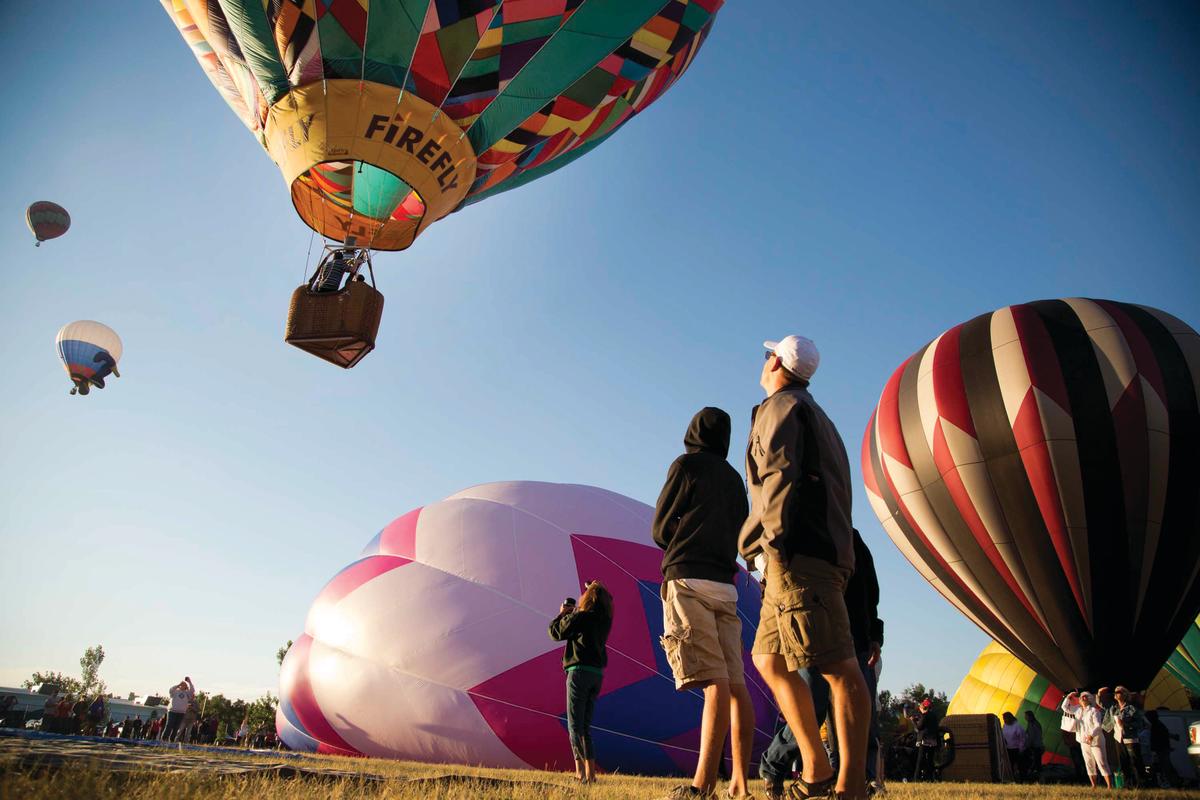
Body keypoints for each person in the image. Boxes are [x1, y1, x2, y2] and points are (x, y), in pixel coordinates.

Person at [740, 336, 870, 800]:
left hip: (796, 556)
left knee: (838, 668)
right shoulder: (819, 416)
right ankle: (814, 769)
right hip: (809, 552)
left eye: (766, 354)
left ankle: (850, 786)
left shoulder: (780, 409)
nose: (763, 360)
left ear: (776, 361)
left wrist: (766, 547)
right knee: (768, 659)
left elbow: (776, 479)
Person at [652, 406, 755, 800]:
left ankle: (701, 787)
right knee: (734, 684)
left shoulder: (685, 466)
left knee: (712, 684)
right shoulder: (734, 481)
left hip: (689, 580)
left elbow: (660, 526)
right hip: (725, 586)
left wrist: (681, 540)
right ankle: (741, 783)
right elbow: (742, 531)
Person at [759, 529, 885, 798]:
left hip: (855, 637)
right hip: (814, 630)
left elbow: (869, 589)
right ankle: (774, 766)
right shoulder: (804, 538)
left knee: (861, 719)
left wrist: (875, 633)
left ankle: (856, 780)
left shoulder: (852, 539)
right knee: (810, 709)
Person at [548, 580, 614, 784]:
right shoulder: (605, 620)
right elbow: (601, 595)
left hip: (579, 673)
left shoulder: (581, 617)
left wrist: (563, 613)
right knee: (585, 726)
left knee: (574, 726)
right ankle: (592, 774)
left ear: (588, 599)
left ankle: (580, 773)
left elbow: (556, 632)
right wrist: (594, 587)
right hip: (597, 675)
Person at [1061, 691, 1111, 788]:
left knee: (1101, 762)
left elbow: (1098, 725)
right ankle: (1094, 786)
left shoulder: (1094, 711)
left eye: (1085, 697)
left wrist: (1092, 735)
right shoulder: (1077, 710)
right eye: (1081, 697)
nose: (1083, 698)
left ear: (1089, 700)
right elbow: (1064, 707)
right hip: (1083, 741)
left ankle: (1109, 786)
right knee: (1089, 763)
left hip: (1096, 740)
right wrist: (1069, 696)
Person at [1112, 686, 1145, 787]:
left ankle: (1140, 783)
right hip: (1119, 738)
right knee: (1123, 762)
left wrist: (1126, 725)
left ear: (1125, 694)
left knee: (1135, 761)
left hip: (1130, 738)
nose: (1116, 693)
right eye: (1115, 692)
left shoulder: (1131, 708)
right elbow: (1107, 722)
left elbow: (1140, 723)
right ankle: (1127, 784)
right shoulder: (1114, 708)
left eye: (1119, 692)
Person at [1145, 709, 1180, 787]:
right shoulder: (1158, 725)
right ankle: (1175, 782)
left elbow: (1161, 737)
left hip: (1161, 749)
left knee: (1166, 767)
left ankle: (1174, 782)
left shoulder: (1156, 726)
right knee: (1166, 766)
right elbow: (1166, 734)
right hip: (1162, 749)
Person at [911, 698, 941, 781]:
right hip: (933, 740)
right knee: (930, 760)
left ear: (924, 707)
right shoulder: (934, 716)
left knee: (920, 760)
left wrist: (913, 721)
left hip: (924, 740)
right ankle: (930, 778)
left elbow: (919, 728)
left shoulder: (925, 715)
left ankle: (916, 779)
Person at [164, 676, 195, 742]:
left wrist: (189, 682)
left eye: (185, 685)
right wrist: (178, 685)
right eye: (182, 684)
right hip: (172, 711)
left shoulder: (187, 693)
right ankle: (164, 739)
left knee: (176, 727)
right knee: (169, 725)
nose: (183, 685)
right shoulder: (175, 692)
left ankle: (172, 740)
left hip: (181, 712)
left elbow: (192, 690)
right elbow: (170, 689)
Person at [1001, 712, 1025, 779]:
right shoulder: (1005, 725)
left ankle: (1020, 778)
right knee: (1009, 764)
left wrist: (1021, 749)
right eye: (1003, 719)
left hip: (1016, 749)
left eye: (1005, 718)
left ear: (1009, 718)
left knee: (1017, 764)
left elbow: (1022, 739)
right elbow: (1003, 735)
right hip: (1007, 749)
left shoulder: (1017, 726)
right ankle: (1011, 777)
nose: (1004, 720)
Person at [1022, 710, 1044, 782]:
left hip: (1036, 746)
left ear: (1029, 716)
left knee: (1036, 762)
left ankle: (1038, 779)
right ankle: (1038, 778)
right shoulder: (1032, 723)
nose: (1025, 718)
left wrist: (1027, 745)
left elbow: (1032, 736)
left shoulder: (1033, 724)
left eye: (1026, 716)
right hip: (1037, 746)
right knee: (1036, 762)